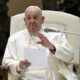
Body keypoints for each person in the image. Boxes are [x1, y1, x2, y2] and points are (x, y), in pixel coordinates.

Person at [2, 6, 78, 80]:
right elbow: (5, 63)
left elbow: (70, 57)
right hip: (26, 77)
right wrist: (18, 65)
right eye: (29, 18)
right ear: (25, 20)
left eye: (35, 18)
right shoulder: (14, 38)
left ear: (42, 19)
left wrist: (52, 47)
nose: (32, 21)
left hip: (53, 77)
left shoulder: (56, 35)